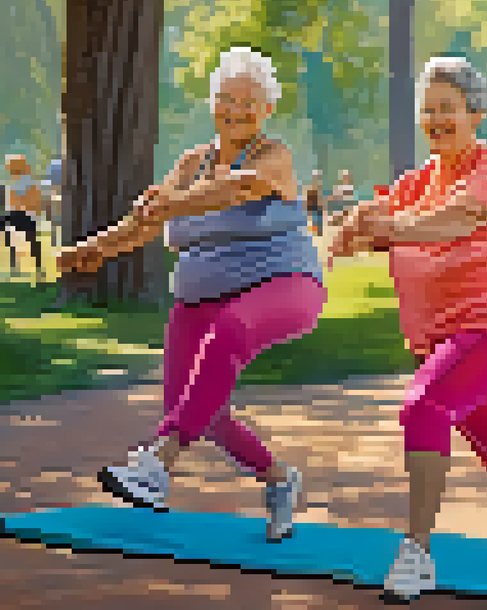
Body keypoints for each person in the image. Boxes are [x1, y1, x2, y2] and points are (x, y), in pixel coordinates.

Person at [328, 57, 487, 600]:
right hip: (447, 339)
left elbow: (453, 221)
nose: (436, 118)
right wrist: (353, 228)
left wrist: (390, 228)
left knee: (423, 408)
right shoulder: (419, 182)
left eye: (448, 108)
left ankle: (417, 552)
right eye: (429, 110)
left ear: (476, 114)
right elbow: (379, 214)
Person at [59, 48, 322, 542]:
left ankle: (158, 462)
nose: (235, 110)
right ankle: (280, 480)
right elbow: (148, 222)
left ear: (266, 108)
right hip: (200, 299)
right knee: (199, 411)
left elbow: (239, 190)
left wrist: (171, 201)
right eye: (226, 98)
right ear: (212, 104)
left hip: (283, 285)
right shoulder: (192, 163)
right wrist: (90, 251)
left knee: (231, 333)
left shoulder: (273, 155)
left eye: (248, 101)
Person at [4, 155, 45, 281]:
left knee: (25, 240)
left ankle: (17, 265)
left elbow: (27, 200)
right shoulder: (21, 181)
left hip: (24, 214)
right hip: (23, 214)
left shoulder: (24, 181)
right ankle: (35, 267)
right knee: (30, 241)